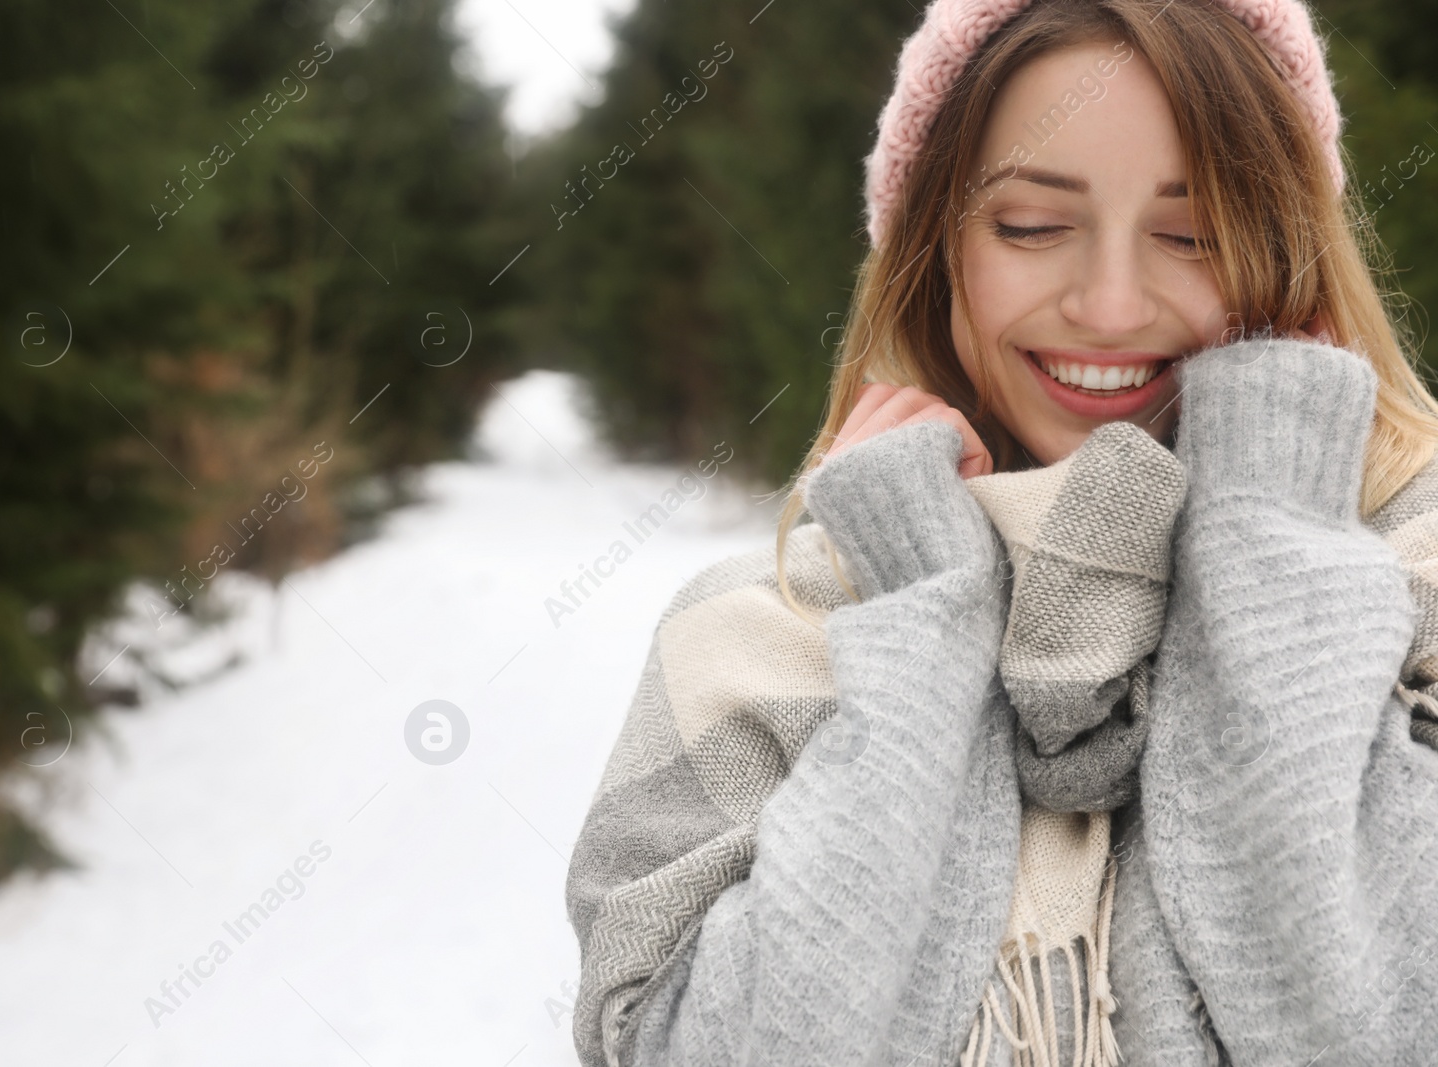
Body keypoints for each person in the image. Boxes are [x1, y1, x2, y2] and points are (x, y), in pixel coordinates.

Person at [565, 0, 1438, 1063]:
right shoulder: (757, 634)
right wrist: (923, 625)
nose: (1112, 308)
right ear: (934, 250)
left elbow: (1380, 1024)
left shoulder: (1412, 585)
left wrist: (1269, 548)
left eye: (1191, 234)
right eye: (1030, 224)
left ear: (1290, 250)